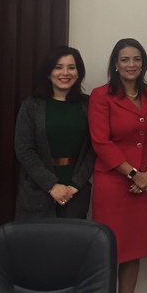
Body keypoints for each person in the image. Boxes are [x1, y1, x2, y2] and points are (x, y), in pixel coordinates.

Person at [89, 38, 147, 293]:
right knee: (110, 247)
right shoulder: (101, 95)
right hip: (113, 184)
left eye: (136, 59)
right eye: (125, 59)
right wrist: (134, 174)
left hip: (145, 184)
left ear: (143, 63)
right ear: (115, 64)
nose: (131, 64)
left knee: (134, 248)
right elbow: (101, 142)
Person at [14, 45, 95, 219]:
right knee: (38, 236)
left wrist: (76, 185)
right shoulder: (31, 106)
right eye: (58, 67)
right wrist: (51, 185)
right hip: (38, 189)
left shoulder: (89, 105)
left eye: (71, 67)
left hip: (75, 191)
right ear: (48, 73)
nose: (65, 73)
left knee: (72, 236)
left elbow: (93, 149)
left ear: (78, 73)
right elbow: (24, 150)